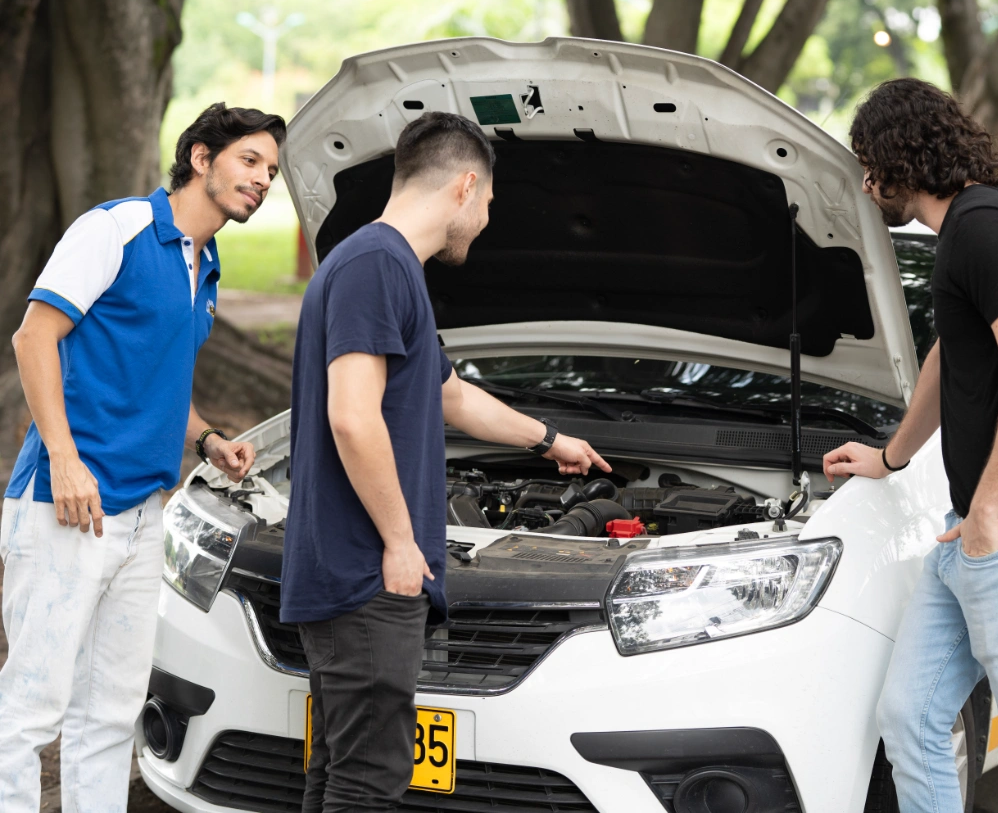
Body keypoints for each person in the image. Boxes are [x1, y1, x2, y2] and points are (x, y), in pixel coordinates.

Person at [281, 111, 611, 811]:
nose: (487, 220)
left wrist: (550, 440)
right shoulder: (378, 265)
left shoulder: (383, 264)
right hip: (366, 572)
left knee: (340, 769)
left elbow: (451, 395)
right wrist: (400, 540)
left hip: (349, 571)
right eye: (489, 202)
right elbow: (351, 412)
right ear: (466, 185)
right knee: (368, 777)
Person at [0, 103, 285, 812]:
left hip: (141, 515)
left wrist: (207, 439)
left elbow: (154, 378)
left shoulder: (204, 261)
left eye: (272, 171)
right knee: (32, 708)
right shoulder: (116, 229)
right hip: (65, 505)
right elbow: (34, 339)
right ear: (200, 157)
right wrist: (65, 461)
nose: (263, 180)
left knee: (112, 709)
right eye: (250, 161)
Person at [824, 78, 998, 812]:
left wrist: (989, 510)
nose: (868, 182)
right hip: (973, 536)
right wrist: (890, 456)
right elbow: (951, 355)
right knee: (910, 718)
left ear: (901, 154)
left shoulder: (983, 226)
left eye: (869, 163)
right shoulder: (968, 235)